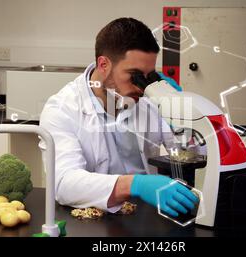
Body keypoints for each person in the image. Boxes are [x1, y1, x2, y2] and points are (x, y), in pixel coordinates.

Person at [40, 17, 198, 217]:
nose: (142, 87)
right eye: (134, 75)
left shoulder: (149, 98)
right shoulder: (61, 109)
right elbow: (63, 183)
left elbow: (187, 154)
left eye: (148, 76)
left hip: (146, 217)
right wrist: (135, 184)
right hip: (92, 222)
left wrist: (183, 117)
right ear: (104, 64)